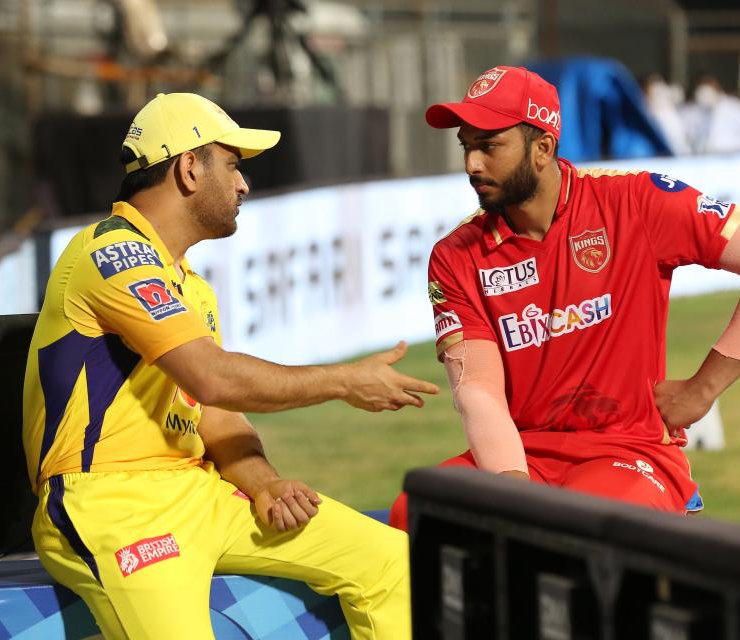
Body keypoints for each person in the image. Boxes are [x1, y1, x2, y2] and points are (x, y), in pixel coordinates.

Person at [22, 92, 439, 640]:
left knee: (392, 562)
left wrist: (264, 483)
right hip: (112, 505)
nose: (243, 185)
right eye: (234, 165)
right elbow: (211, 376)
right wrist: (343, 380)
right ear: (189, 167)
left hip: (197, 493)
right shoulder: (109, 254)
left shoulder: (190, 287)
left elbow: (212, 413)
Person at [388, 66, 740, 531]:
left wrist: (701, 391)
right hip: (518, 453)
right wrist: (512, 491)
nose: (472, 164)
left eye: (489, 146)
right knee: (414, 512)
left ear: (543, 148)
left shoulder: (636, 200)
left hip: (627, 452)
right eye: (467, 146)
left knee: (585, 529)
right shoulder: (455, 256)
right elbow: (478, 392)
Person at [681, 74, 740, 154]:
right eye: (702, 87)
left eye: (709, 86)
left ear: (717, 87)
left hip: (730, 158)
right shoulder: (691, 109)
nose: (705, 92)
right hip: (699, 159)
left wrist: (734, 150)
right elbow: (682, 134)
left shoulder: (733, 105)